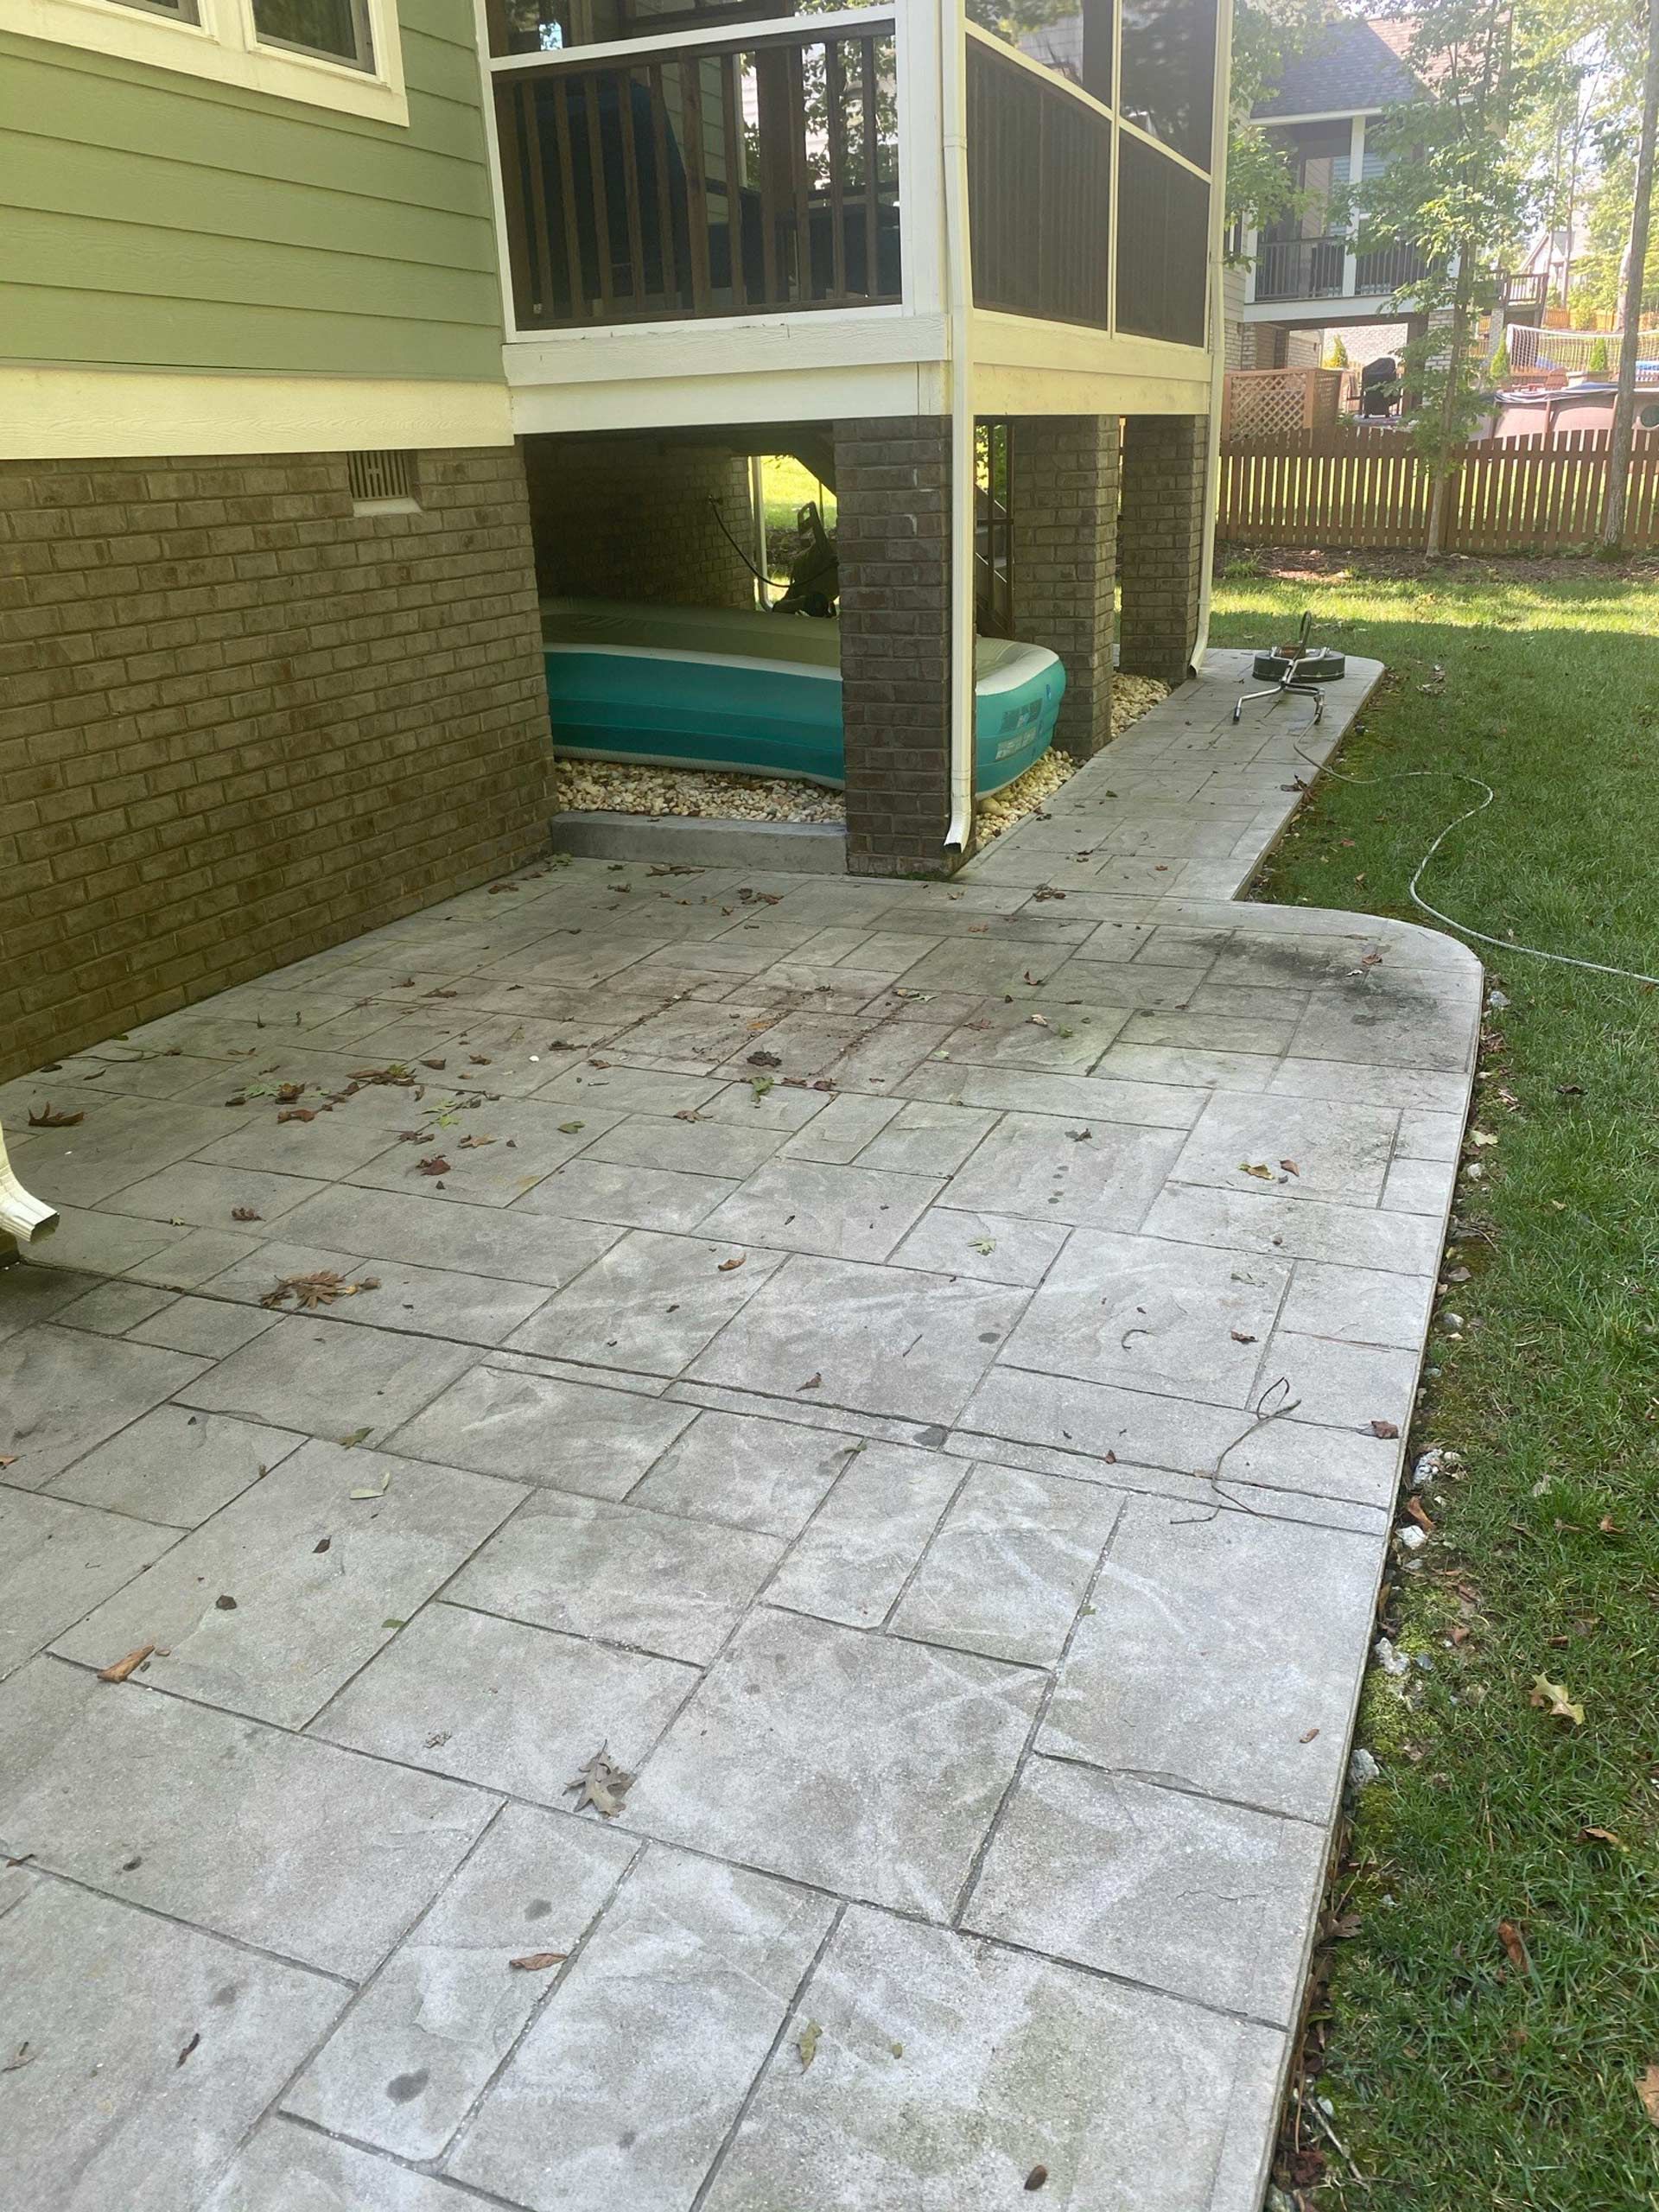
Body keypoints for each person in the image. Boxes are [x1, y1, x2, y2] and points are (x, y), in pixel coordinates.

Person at [1360, 353, 1401, 418]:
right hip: (1378, 389)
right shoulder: (1387, 369)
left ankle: (1369, 411)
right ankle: (1381, 411)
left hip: (1373, 389)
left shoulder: (1370, 371)